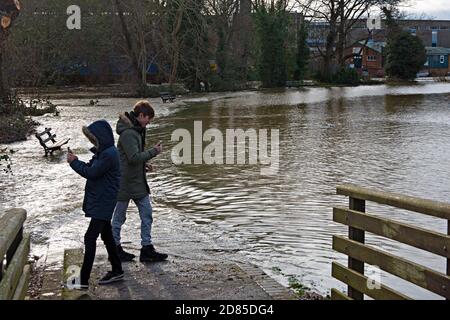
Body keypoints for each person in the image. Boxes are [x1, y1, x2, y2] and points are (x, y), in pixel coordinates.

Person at [67, 120, 123, 288]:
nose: (93, 142)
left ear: (102, 138)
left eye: (94, 139)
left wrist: (73, 162)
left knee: (89, 237)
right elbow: (93, 167)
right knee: (106, 235)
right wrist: (77, 160)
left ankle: (82, 281)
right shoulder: (106, 152)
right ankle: (117, 269)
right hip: (104, 199)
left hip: (103, 201)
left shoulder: (108, 154)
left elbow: (91, 172)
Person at [112, 100, 168, 262]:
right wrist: (154, 152)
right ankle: (115, 248)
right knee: (119, 218)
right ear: (141, 115)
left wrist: (144, 165)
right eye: (148, 118)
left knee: (147, 214)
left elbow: (132, 159)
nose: (149, 122)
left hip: (136, 181)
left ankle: (146, 248)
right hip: (125, 182)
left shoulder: (136, 130)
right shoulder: (129, 133)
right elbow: (133, 158)